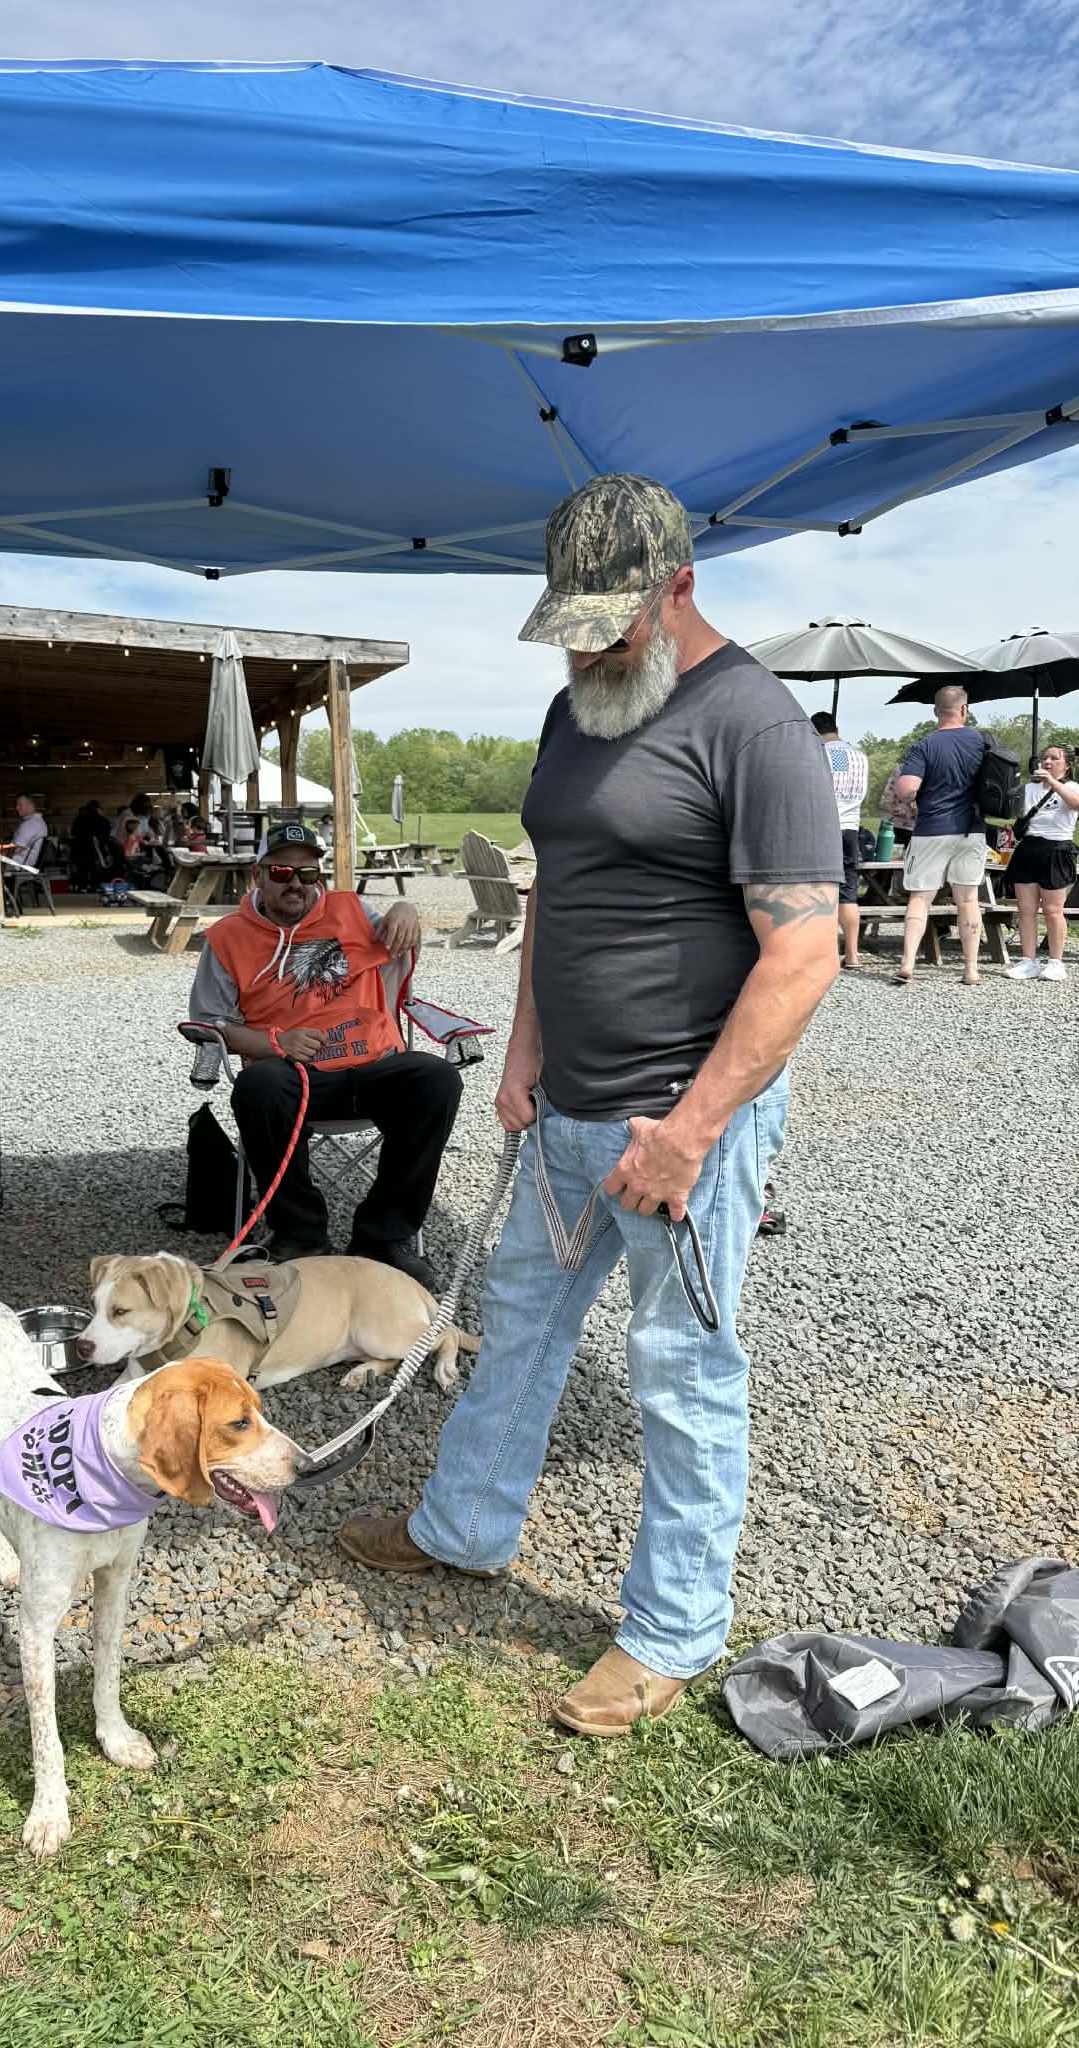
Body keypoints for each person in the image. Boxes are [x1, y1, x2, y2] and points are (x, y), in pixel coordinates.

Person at [337, 474, 840, 1738]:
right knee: (513, 1328)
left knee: (681, 1374)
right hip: (561, 1105)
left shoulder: (756, 725)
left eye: (610, 620)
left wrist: (693, 1129)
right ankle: (461, 1527)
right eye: (571, 622)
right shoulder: (585, 706)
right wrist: (522, 1053)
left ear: (681, 585)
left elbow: (805, 955)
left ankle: (671, 1628)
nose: (587, 644)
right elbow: (557, 891)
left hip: (676, 1125)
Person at [189, 820, 462, 1287]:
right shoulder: (227, 937)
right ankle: (299, 1233)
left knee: (437, 1080)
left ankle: (384, 1236)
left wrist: (405, 905)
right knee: (258, 1086)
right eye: (281, 872)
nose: (296, 883)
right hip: (293, 1078)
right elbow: (209, 1025)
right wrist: (275, 1042)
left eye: (308, 873)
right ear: (258, 875)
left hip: (374, 1066)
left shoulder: (351, 909)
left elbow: (402, 926)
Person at [891, 688, 988, 986]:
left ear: (936, 712)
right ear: (964, 710)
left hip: (932, 829)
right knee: (968, 899)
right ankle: (971, 969)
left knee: (920, 897)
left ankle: (908, 963)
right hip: (972, 830)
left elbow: (907, 788)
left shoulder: (925, 745)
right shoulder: (981, 742)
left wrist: (911, 797)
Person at [1005, 743, 1079, 982]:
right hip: (1028, 848)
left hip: (1057, 848)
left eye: (1054, 759)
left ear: (1066, 765)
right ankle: (1029, 961)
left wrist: (1053, 783)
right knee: (1025, 910)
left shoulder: (1072, 787)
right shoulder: (1028, 789)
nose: (1047, 762)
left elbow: (1076, 804)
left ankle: (1056, 962)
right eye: (1045, 758)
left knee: (1053, 910)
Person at [810, 710, 870, 970]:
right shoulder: (860, 757)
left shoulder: (825, 754)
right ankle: (853, 954)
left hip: (824, 827)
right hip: (850, 830)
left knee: (821, 892)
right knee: (848, 895)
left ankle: (825, 952)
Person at [70, 799, 115, 891]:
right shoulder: (101, 819)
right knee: (94, 868)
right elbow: (106, 834)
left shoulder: (80, 818)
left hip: (80, 847)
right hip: (95, 848)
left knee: (82, 868)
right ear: (97, 809)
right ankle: (95, 886)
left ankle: (82, 887)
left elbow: (73, 832)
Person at [9, 792, 48, 869]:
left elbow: (16, 849)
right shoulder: (38, 821)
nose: (17, 808)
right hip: (29, 863)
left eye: (20, 805)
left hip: (19, 864)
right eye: (17, 805)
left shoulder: (30, 823)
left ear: (31, 805)